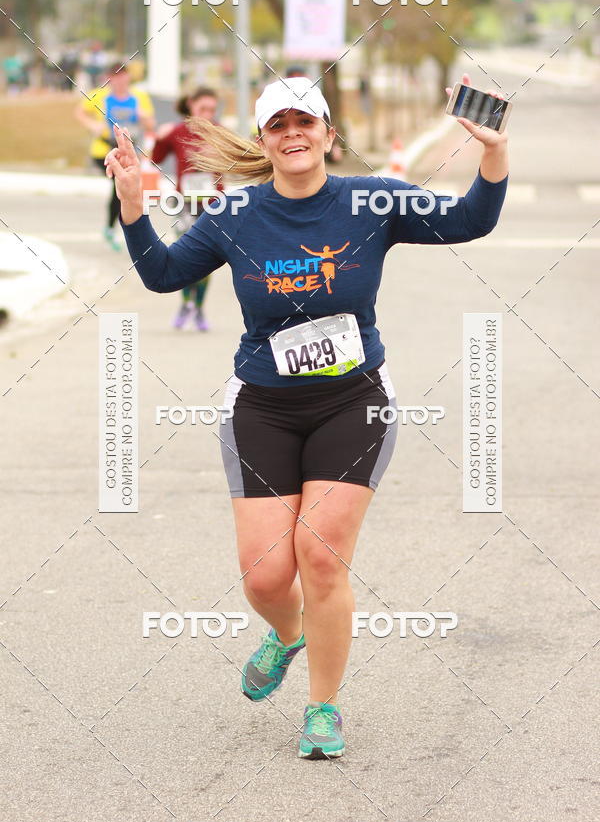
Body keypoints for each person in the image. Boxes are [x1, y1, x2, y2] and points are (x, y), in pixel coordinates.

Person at [105, 72, 509, 760]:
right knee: (266, 576)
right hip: (262, 405)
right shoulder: (235, 215)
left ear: (327, 132)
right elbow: (164, 275)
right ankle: (287, 634)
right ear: (264, 141)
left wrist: (493, 152)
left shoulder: (370, 200)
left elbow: (470, 218)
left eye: (305, 121)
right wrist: (132, 207)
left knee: (319, 557)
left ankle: (323, 707)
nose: (293, 133)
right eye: (277, 125)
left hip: (353, 400)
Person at [151, 87, 224, 331]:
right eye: (203, 109)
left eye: (212, 110)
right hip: (186, 204)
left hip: (213, 205)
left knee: (206, 261)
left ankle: (199, 308)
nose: (207, 115)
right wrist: (160, 137)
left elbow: (241, 161)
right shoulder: (178, 131)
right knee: (183, 257)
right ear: (191, 106)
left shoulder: (220, 132)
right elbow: (157, 158)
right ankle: (185, 304)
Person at [75, 63, 154, 250]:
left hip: (127, 151)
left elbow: (151, 124)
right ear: (109, 78)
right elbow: (79, 112)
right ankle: (116, 228)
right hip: (103, 150)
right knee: (120, 184)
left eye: (123, 75)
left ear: (128, 77)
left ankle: (115, 228)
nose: (119, 80)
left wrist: (142, 117)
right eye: (115, 76)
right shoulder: (99, 95)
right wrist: (92, 125)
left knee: (121, 187)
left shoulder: (139, 97)